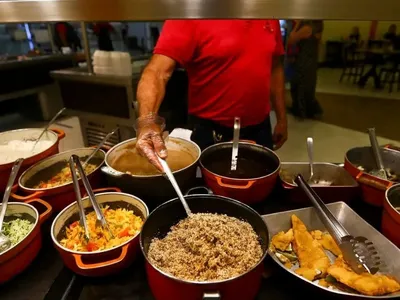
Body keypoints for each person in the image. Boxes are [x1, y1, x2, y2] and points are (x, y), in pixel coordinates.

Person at [135, 20, 288, 171]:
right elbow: (157, 72)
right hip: (210, 132)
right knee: (207, 192)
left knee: (262, 187)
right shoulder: (193, 12)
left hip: (260, 129)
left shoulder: (266, 12)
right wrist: (147, 121)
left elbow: (275, 67)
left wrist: (281, 118)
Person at [288, 20, 324, 119]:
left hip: (304, 60)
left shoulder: (307, 27)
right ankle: (304, 110)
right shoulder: (313, 27)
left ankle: (302, 111)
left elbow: (291, 39)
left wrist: (297, 25)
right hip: (308, 59)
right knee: (303, 84)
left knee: (301, 84)